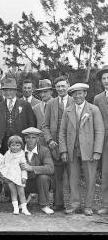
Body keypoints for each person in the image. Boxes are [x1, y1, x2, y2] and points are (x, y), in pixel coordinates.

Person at [59, 83, 104, 216]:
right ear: (71, 95)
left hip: (89, 150)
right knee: (73, 178)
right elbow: (62, 132)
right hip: (72, 150)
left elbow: (99, 131)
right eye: (74, 94)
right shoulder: (68, 110)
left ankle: (88, 206)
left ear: (85, 94)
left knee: (90, 178)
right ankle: (75, 204)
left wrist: (97, 151)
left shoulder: (93, 109)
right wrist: (63, 151)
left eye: (80, 93)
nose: (77, 96)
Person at [42, 75, 73, 211]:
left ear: (68, 86)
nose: (61, 89)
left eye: (63, 86)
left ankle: (73, 204)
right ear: (55, 88)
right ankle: (58, 202)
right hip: (54, 145)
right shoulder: (51, 103)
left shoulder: (75, 100)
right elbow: (44, 125)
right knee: (57, 176)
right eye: (58, 86)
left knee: (73, 174)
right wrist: (49, 140)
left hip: (71, 145)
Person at [0, 78, 36, 154]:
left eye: (11, 90)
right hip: (3, 141)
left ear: (15, 91)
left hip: (21, 141)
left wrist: (29, 139)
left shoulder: (25, 105)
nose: (8, 92)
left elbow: (31, 124)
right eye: (6, 90)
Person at [20, 127, 55, 215]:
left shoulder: (44, 150)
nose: (30, 140)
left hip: (38, 181)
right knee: (9, 181)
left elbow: (50, 168)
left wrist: (31, 168)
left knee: (43, 177)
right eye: (28, 137)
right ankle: (23, 200)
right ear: (25, 139)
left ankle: (44, 205)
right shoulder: (19, 150)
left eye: (34, 137)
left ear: (38, 139)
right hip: (23, 181)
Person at [0, 135, 31, 215]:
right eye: (13, 145)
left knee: (21, 193)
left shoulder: (22, 155)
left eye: (18, 145)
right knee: (13, 193)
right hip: (10, 176)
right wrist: (3, 174)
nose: (15, 147)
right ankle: (16, 208)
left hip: (18, 176)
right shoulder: (7, 154)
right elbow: (3, 164)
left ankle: (24, 209)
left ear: (21, 146)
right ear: (9, 146)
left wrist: (24, 177)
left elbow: (23, 168)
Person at [94, 65, 108, 215]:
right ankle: (106, 204)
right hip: (104, 142)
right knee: (106, 173)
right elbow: (95, 122)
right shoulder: (98, 99)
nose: (106, 80)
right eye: (104, 78)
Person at [33, 79, 54, 147]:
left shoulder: (58, 105)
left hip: (54, 142)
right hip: (40, 144)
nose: (42, 94)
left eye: (45, 91)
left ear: (51, 91)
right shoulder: (36, 108)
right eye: (40, 92)